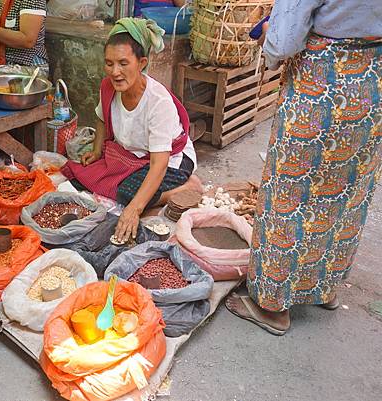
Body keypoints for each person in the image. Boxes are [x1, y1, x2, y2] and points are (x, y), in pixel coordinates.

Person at [225, 0, 382, 335]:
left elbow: (283, 42)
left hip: (322, 85)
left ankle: (272, 308)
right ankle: (324, 288)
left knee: (289, 193)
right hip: (372, 87)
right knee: (345, 192)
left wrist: (267, 32)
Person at [61, 18, 202, 244]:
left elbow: (159, 163)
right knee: (77, 171)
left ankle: (186, 187)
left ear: (141, 62)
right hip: (131, 155)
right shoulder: (108, 87)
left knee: (128, 194)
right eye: (109, 63)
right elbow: (100, 117)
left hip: (171, 159)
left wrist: (134, 210)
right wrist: (97, 151)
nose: (115, 72)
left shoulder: (158, 102)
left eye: (123, 63)